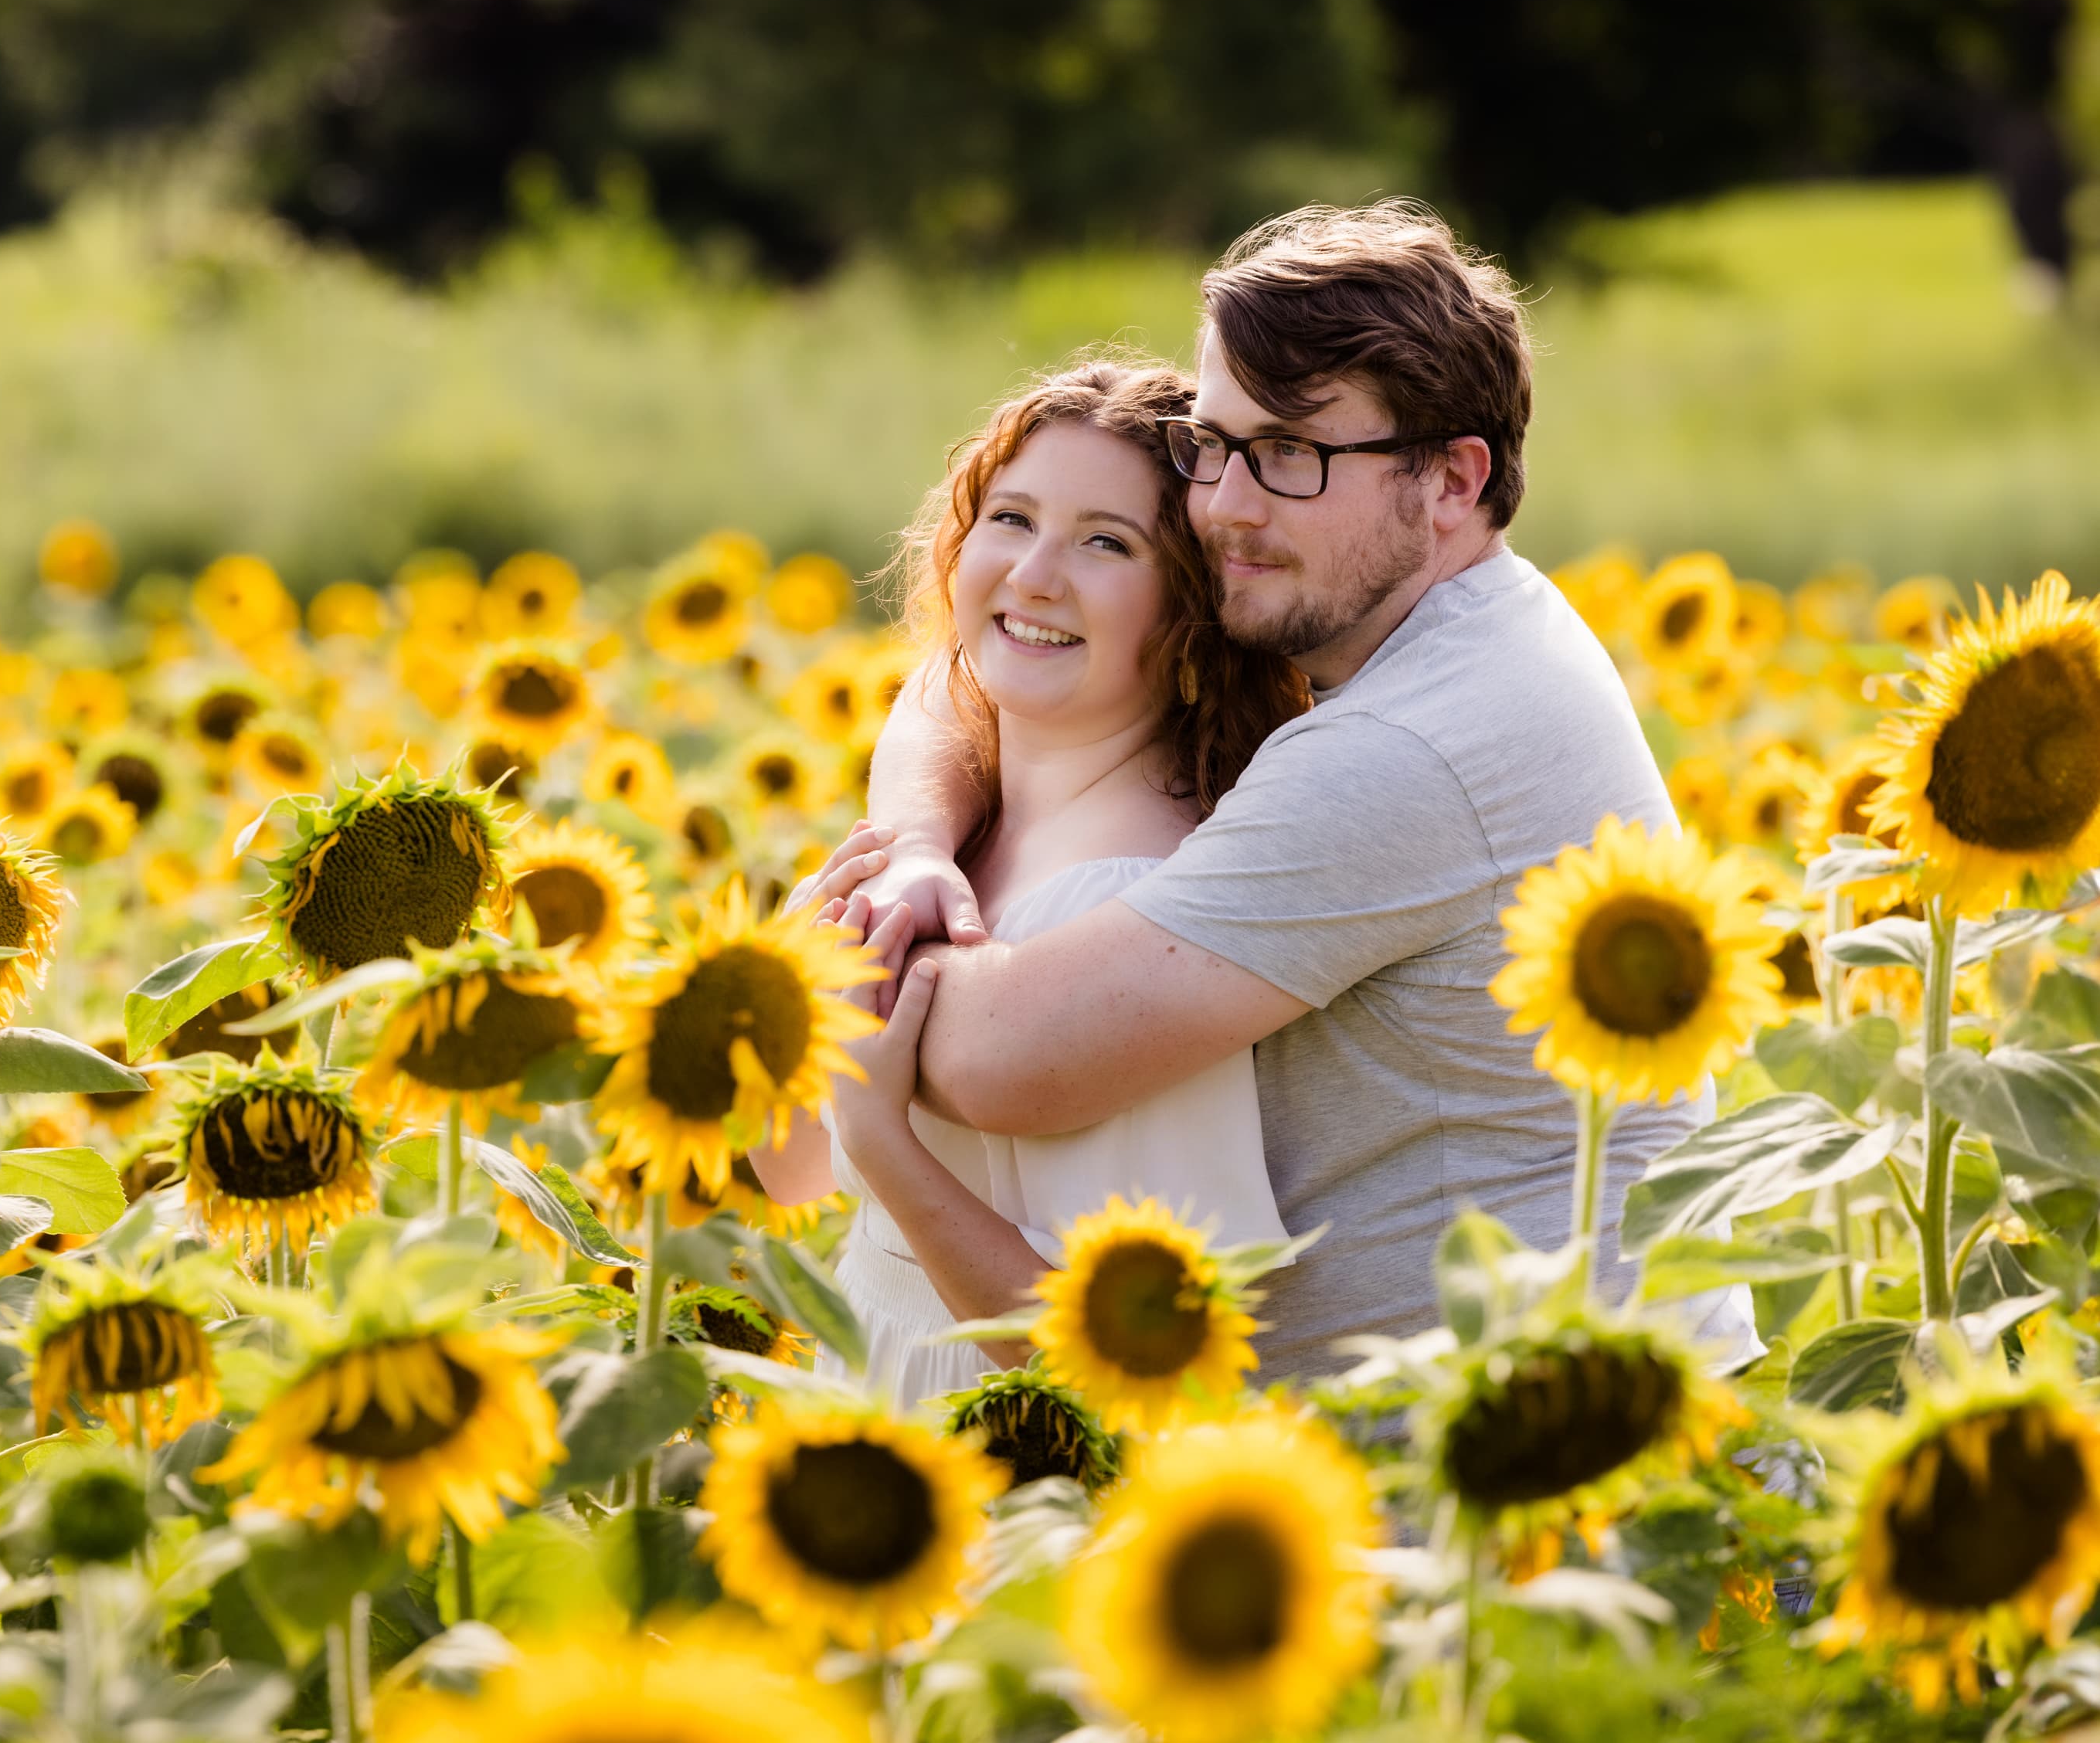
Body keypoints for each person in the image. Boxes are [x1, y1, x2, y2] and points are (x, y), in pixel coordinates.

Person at [808, 202, 1758, 1382]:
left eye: (1295, 454)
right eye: (1216, 442)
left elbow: (1003, 1059)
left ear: (1453, 479)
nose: (1228, 505)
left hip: (1578, 1504)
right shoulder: (1435, 627)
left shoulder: (1407, 746)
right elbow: (965, 685)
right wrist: (910, 845)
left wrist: (821, 988)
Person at [751, 361, 1308, 1406]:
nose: (1036, 576)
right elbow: (788, 1174)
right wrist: (788, 982)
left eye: (1108, 542)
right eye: (1011, 518)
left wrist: (886, 1143)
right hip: (865, 1397)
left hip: (1006, 1479)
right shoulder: (952, 843)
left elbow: (1140, 1381)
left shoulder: (1127, 909)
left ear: (1190, 609)